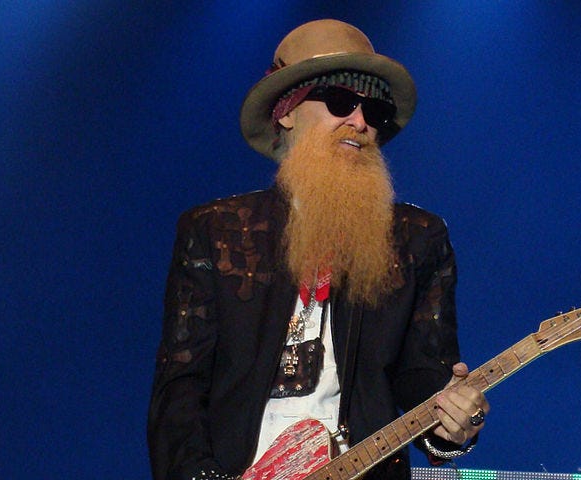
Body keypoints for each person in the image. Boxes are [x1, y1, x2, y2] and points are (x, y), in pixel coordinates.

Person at [147, 19, 489, 480]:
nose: (361, 122)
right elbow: (180, 392)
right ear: (286, 111)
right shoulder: (214, 231)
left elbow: (422, 377)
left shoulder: (417, 238)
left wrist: (454, 422)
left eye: (376, 111)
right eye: (341, 101)